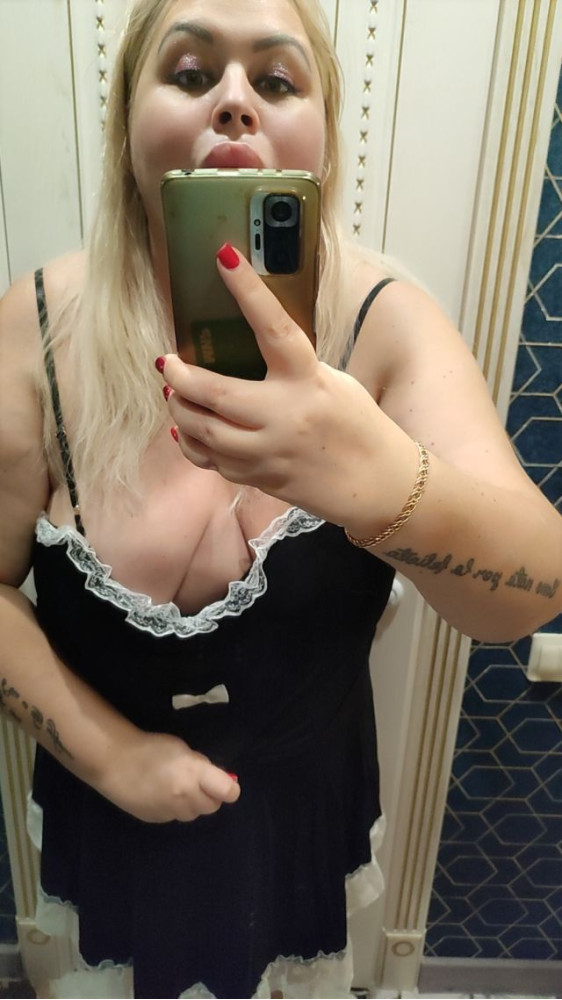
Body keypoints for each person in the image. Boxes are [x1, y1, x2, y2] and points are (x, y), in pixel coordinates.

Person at [0, 0, 560, 997]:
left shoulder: (386, 326)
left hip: (303, 813)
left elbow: (531, 590)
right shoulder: (37, 326)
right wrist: (112, 758)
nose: (233, 101)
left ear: (324, 139)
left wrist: (384, 484)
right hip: (103, 807)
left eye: (275, 80)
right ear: (125, 125)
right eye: (188, 73)